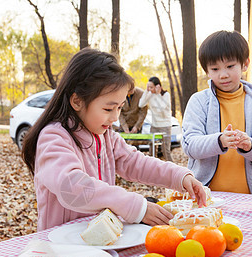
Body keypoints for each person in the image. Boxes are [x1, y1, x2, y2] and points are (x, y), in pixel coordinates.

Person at [21, 48, 206, 231]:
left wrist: (179, 176)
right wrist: (135, 206)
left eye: (120, 107)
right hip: (61, 246)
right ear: (77, 101)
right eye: (108, 109)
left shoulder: (106, 137)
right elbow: (72, 187)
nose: (115, 117)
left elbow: (136, 162)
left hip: (101, 239)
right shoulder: (54, 137)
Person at [181, 30, 252, 195]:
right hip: (206, 197)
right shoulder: (199, 101)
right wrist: (219, 141)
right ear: (207, 71)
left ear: (245, 64)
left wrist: (250, 145)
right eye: (215, 68)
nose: (223, 74)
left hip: (250, 197)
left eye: (230, 66)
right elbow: (190, 145)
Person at [138, 76, 173, 161]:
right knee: (151, 149)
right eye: (148, 87)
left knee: (166, 151)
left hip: (165, 126)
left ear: (158, 86)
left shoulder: (166, 95)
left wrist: (158, 94)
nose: (150, 89)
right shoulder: (149, 94)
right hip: (154, 126)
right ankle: (152, 169)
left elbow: (161, 108)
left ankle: (173, 170)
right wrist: (146, 91)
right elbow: (141, 104)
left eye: (151, 87)